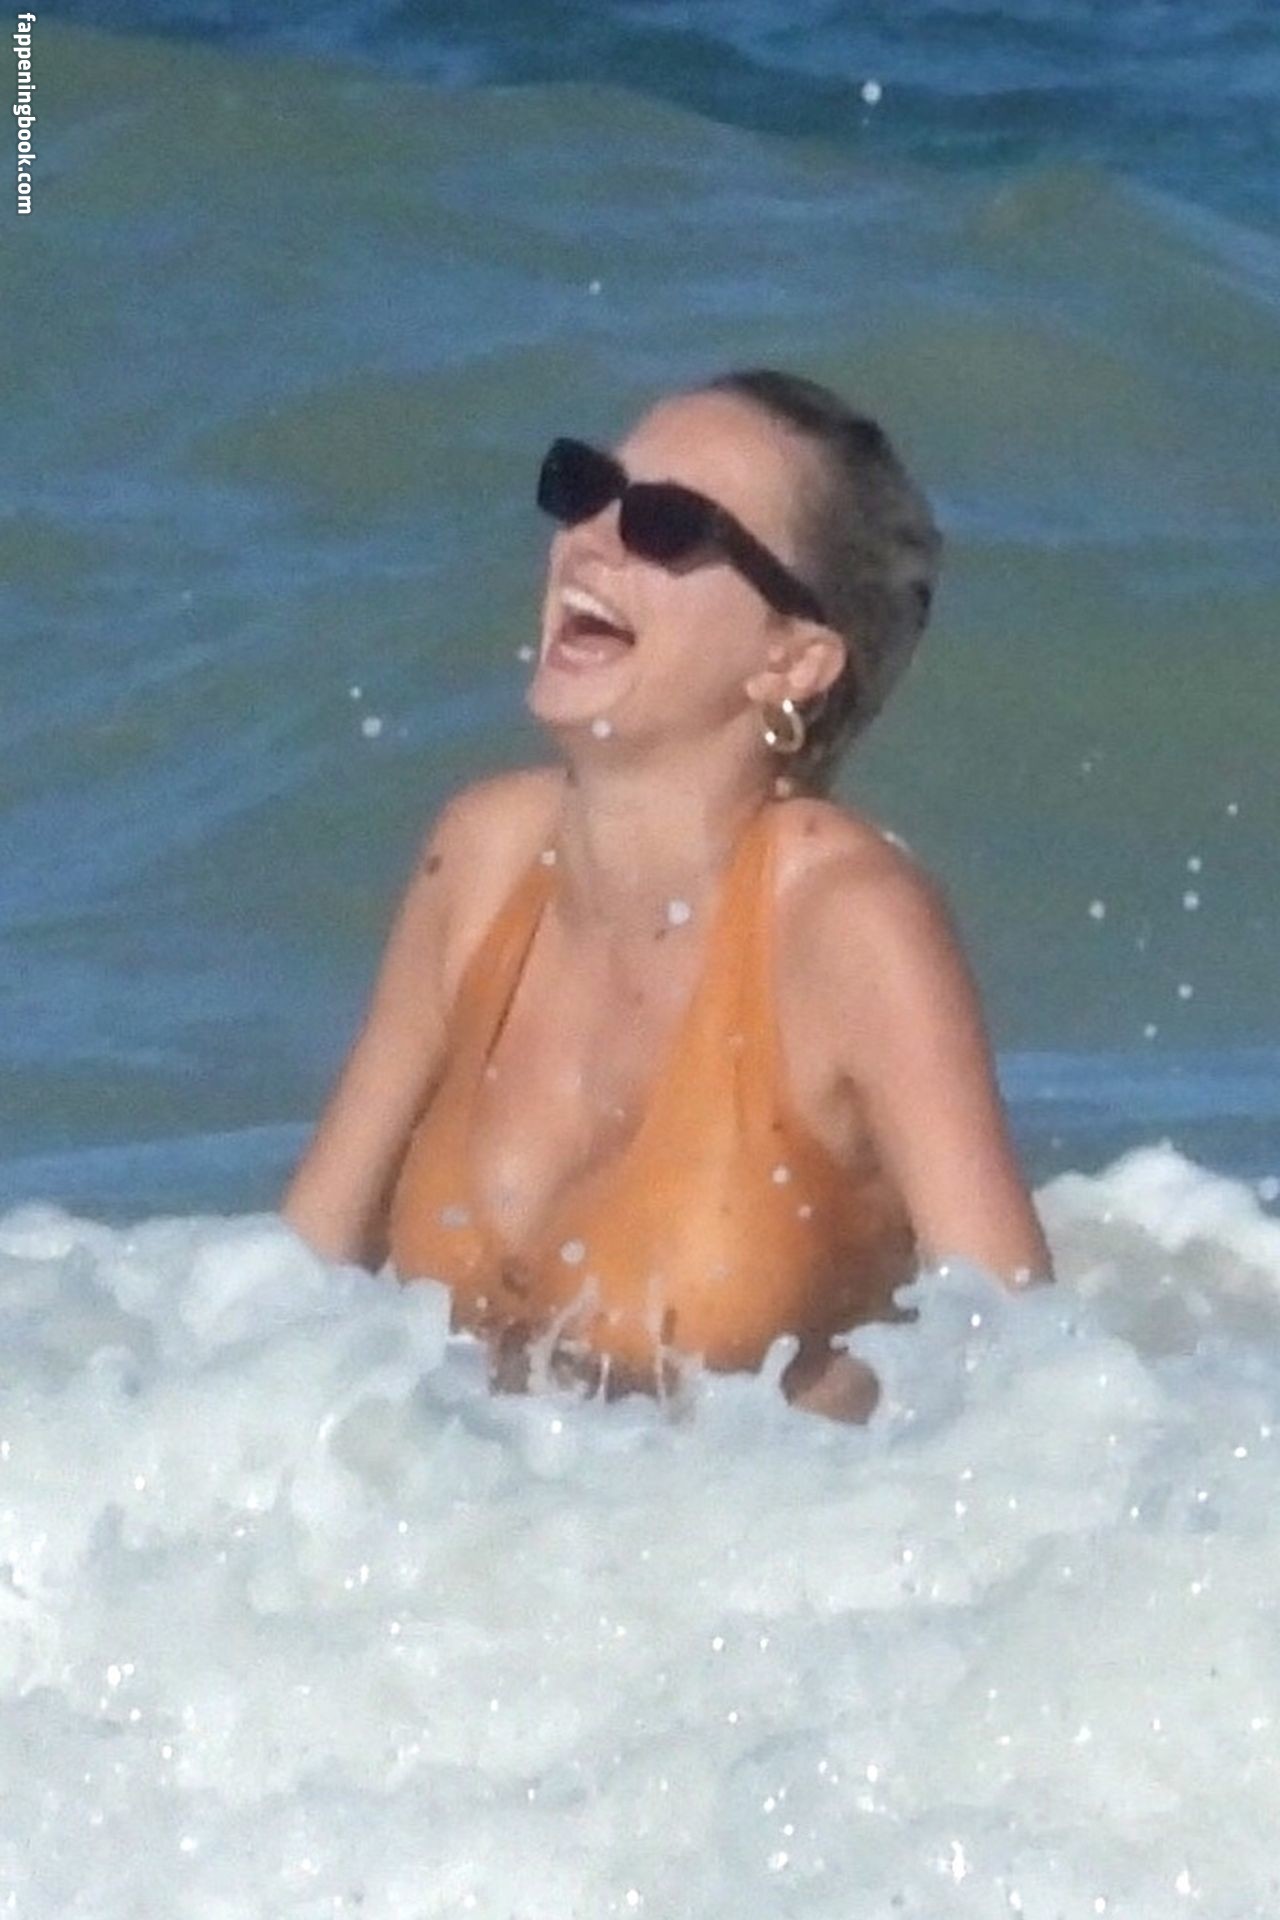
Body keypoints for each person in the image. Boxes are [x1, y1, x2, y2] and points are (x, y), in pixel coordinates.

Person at [280, 367, 1054, 1422]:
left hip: (765, 1525)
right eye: (586, 487)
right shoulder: (481, 858)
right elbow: (292, 1293)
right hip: (468, 1520)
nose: (592, 539)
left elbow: (1026, 1383)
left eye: (666, 523)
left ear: (793, 661)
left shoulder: (847, 923)